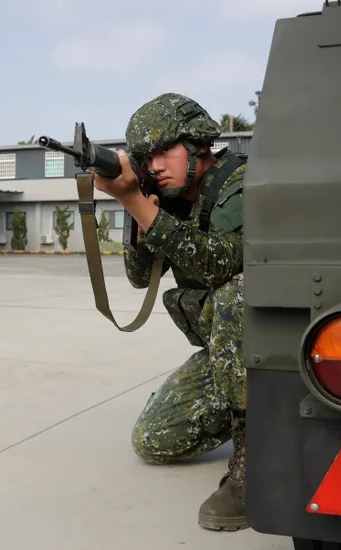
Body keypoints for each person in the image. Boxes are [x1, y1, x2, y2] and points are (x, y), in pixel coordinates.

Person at [90, 93, 247, 531]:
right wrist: (137, 207)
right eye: (146, 157)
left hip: (270, 351)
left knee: (238, 291)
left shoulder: (240, 181)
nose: (155, 164)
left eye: (165, 150)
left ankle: (255, 461)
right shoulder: (163, 196)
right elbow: (139, 277)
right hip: (227, 359)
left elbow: (220, 262)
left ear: (197, 143)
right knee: (153, 440)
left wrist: (140, 206)